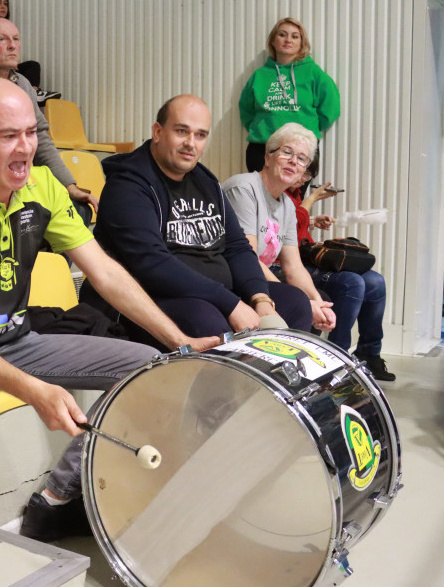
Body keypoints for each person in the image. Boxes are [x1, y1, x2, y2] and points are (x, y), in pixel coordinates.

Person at [0, 78, 220, 581]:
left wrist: (178, 341)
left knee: (152, 366)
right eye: (9, 135)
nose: (26, 148)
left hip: (18, 343)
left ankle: (58, 497)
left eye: (31, 133)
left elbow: (106, 272)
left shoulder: (41, 185)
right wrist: (36, 392)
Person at [82, 95, 312, 346]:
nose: (191, 144)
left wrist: (260, 299)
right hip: (149, 299)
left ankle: (272, 382)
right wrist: (230, 303)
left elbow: (237, 246)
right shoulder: (127, 186)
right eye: (182, 131)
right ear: (158, 132)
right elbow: (152, 264)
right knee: (208, 323)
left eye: (201, 135)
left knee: (294, 302)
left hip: (212, 294)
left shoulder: (205, 180)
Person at [0, 17, 99, 215]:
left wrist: (69, 186)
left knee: (78, 209)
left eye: (16, 39)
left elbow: (42, 137)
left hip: (20, 175)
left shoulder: (22, 82)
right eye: (2, 40)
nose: (12, 46)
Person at [221, 123, 339, 336]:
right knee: (296, 301)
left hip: (259, 279)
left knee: (321, 298)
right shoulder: (243, 188)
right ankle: (282, 366)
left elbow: (293, 267)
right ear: (267, 157)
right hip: (235, 278)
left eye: (302, 159)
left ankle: (304, 363)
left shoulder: (287, 205)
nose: (294, 161)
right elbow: (247, 257)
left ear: (304, 170)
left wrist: (318, 303)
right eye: (287, 152)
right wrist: (298, 297)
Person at [287, 161, 394, 381]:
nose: (303, 178)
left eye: (308, 174)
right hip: (289, 262)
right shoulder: (278, 191)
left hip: (305, 255)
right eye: (303, 172)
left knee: (376, 282)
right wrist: (312, 199)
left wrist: (314, 220)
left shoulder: (295, 192)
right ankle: (337, 357)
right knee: (352, 282)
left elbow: (297, 225)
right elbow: (290, 223)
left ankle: (369, 352)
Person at [239, 17, 340, 172]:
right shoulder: (259, 75)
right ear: (273, 41)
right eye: (282, 35)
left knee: (294, 197)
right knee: (259, 195)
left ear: (302, 43)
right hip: (262, 148)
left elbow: (330, 106)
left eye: (295, 36)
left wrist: (308, 128)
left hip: (301, 150)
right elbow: (246, 109)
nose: (288, 40)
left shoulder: (314, 73)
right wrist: (262, 128)